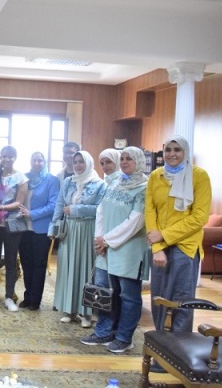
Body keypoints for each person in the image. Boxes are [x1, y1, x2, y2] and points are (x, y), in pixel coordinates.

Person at [145, 135, 211, 370]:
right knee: (159, 301)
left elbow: (199, 217)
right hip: (160, 249)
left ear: (185, 152)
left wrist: (164, 236)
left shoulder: (199, 176)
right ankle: (161, 351)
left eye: (177, 150)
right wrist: (157, 247)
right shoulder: (156, 176)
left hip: (185, 247)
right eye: (168, 150)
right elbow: (150, 212)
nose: (172, 154)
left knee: (182, 303)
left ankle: (178, 356)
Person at [81, 146, 149, 353]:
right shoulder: (115, 182)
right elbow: (101, 210)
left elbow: (135, 221)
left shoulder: (145, 187)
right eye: (123, 158)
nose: (125, 162)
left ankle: (124, 337)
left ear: (139, 161)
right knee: (104, 292)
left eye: (130, 159)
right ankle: (103, 332)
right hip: (105, 248)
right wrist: (99, 239)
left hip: (128, 250)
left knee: (128, 296)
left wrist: (107, 240)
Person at [49, 150, 106, 328]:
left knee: (85, 270)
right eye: (75, 162)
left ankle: (87, 313)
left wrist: (74, 209)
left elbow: (100, 209)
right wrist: (53, 227)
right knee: (68, 268)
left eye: (81, 162)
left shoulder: (99, 184)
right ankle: (69, 310)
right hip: (70, 230)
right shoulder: (68, 181)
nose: (78, 165)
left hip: (88, 229)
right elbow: (60, 204)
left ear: (88, 163)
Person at [0, 145, 28, 312]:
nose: (6, 159)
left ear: (15, 158)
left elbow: (19, 202)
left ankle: (9, 296)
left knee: (10, 260)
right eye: (3, 156)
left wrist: (2, 207)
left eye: (10, 156)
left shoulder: (20, 177)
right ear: (0, 158)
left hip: (13, 222)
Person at [18, 152, 60, 311]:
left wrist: (32, 214)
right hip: (23, 228)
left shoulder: (52, 180)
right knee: (26, 263)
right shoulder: (24, 178)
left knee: (39, 265)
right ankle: (27, 297)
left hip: (41, 229)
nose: (37, 163)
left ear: (44, 162)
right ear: (30, 161)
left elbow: (53, 205)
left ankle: (35, 300)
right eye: (34, 160)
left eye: (40, 160)